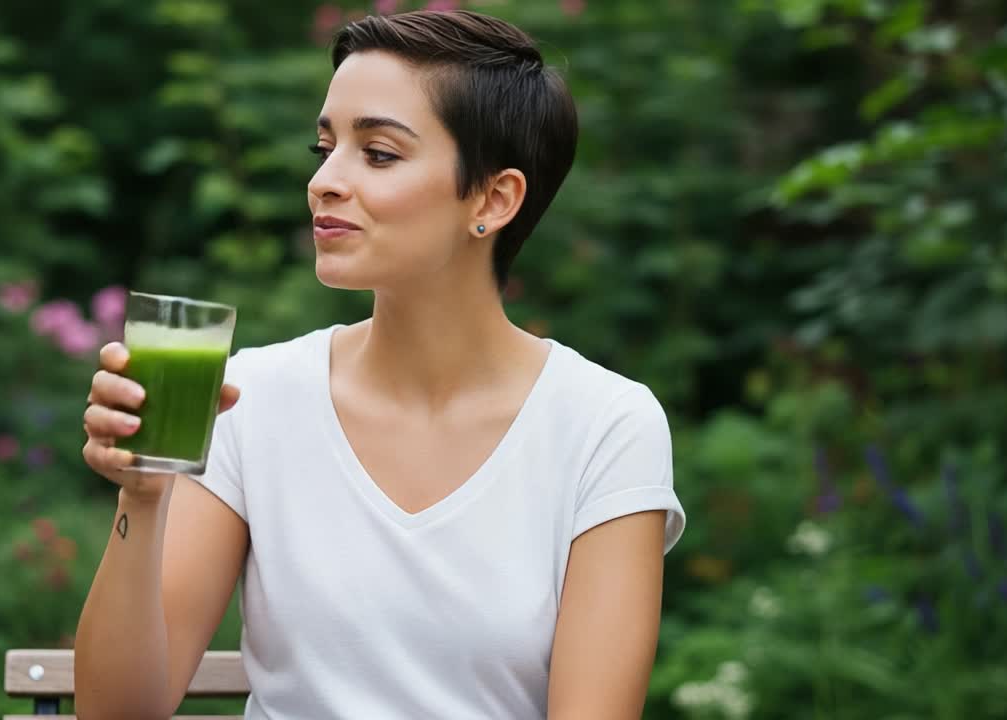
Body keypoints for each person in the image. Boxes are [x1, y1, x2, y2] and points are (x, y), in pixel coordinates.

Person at [74, 9, 685, 720]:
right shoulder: (251, 396)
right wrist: (143, 499)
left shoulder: (604, 426)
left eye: (379, 154)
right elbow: (119, 713)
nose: (324, 181)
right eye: (325, 147)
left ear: (494, 198)